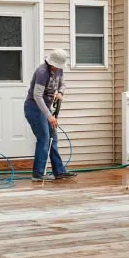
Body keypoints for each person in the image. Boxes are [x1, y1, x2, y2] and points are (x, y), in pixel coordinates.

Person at [23, 49, 77, 182]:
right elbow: (37, 96)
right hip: (34, 108)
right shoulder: (42, 72)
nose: (57, 68)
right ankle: (38, 174)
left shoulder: (59, 70)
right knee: (44, 138)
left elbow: (62, 84)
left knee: (53, 138)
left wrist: (60, 92)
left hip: (45, 108)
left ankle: (59, 171)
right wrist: (49, 115)